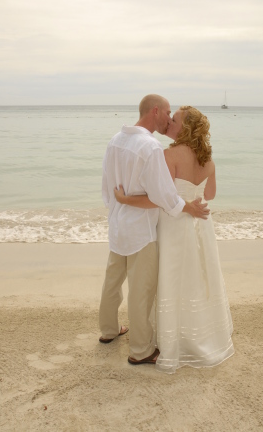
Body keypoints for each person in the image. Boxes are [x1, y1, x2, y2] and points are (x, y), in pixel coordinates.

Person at [114, 106, 234, 373]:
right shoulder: (209, 159)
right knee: (199, 278)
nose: (169, 122)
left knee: (173, 278)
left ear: (185, 128)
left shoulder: (169, 156)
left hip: (174, 226)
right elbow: (210, 195)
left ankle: (173, 340)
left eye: (175, 120)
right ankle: (203, 336)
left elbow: (161, 198)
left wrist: (124, 200)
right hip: (201, 225)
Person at [99, 95, 209, 366]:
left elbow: (106, 188)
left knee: (112, 280)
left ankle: (108, 331)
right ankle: (140, 350)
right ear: (155, 111)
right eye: (168, 112)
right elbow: (164, 195)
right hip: (141, 230)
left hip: (117, 224)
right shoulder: (150, 147)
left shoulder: (115, 140)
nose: (170, 119)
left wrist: (118, 208)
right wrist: (188, 208)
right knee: (141, 290)